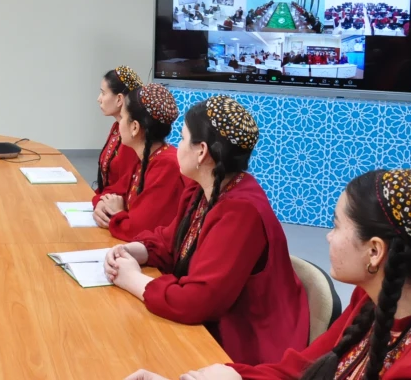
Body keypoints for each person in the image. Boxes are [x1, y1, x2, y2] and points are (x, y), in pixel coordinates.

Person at [126, 169, 411, 380]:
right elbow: (301, 369)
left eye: (336, 226)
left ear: (374, 252)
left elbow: (201, 298)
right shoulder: (374, 296)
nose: (328, 237)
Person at [103, 96, 309, 364]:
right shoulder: (203, 189)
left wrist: (132, 279)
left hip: (244, 343)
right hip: (209, 326)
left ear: (201, 151)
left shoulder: (241, 212)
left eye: (182, 138)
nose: (176, 146)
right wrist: (134, 250)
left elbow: (198, 301)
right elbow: (170, 241)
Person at [96, 84, 187, 241]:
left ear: (135, 127)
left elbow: (138, 230)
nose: (119, 124)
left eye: (122, 118)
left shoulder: (166, 166)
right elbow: (114, 190)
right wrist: (102, 205)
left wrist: (117, 214)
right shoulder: (146, 156)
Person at [91, 67, 143, 214]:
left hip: (116, 208)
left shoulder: (132, 137)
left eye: (103, 93)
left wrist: (99, 200)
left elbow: (123, 187)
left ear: (119, 99)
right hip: (106, 201)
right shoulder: (116, 128)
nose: (99, 99)